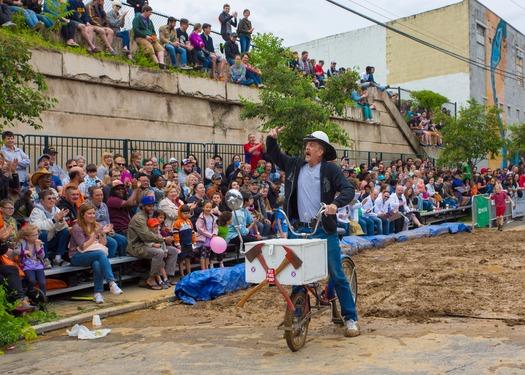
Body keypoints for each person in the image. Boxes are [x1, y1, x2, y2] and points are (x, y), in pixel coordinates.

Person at [266, 127, 360, 337]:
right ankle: (298, 314)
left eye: (312, 145)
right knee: (297, 275)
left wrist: (335, 204)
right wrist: (271, 139)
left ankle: (350, 318)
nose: (307, 147)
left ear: (321, 151)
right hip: (298, 229)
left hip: (323, 230)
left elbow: (348, 190)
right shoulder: (294, 165)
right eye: (307, 144)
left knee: (336, 274)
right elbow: (275, 155)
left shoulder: (330, 170)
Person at [69, 204, 123, 303]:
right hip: (77, 255)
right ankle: (111, 282)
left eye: (93, 213)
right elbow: (83, 246)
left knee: (97, 263)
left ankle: (97, 293)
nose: (92, 215)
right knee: (100, 254)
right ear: (82, 215)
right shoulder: (77, 227)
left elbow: (102, 244)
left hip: (92, 253)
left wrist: (103, 233)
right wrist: (94, 235)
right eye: (89, 213)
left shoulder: (96, 225)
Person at [127, 195, 178, 289]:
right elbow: (146, 236)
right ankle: (151, 279)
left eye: (152, 205)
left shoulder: (147, 216)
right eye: (149, 206)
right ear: (143, 206)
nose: (152, 208)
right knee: (159, 252)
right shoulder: (139, 218)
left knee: (173, 250)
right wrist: (163, 239)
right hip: (136, 246)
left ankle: (167, 277)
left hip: (148, 244)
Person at [29, 189, 70, 269]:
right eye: (49, 198)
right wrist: (54, 220)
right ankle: (45, 259)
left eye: (53, 198)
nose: (52, 200)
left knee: (65, 231)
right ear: (42, 201)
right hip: (39, 242)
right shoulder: (36, 211)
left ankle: (58, 258)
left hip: (52, 239)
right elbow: (36, 226)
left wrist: (60, 220)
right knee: (42, 232)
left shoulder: (57, 210)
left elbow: (62, 228)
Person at [88, 186, 127, 258]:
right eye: (97, 195)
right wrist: (103, 231)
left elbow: (107, 220)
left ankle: (123, 266)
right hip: (95, 233)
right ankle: (106, 264)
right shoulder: (86, 206)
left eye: (101, 195)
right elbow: (88, 224)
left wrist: (111, 230)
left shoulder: (104, 205)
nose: (100, 197)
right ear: (91, 196)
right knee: (113, 243)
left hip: (107, 231)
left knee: (123, 240)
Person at [13, 224, 46, 297]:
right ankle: (30, 293)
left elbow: (42, 256)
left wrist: (38, 248)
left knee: (42, 283)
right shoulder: (21, 242)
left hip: (38, 266)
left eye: (37, 234)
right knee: (32, 280)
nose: (37, 236)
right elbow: (15, 252)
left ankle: (43, 300)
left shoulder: (39, 243)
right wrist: (25, 252)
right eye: (34, 235)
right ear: (27, 237)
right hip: (27, 266)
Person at [173, 204, 195, 278]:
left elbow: (192, 232)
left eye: (188, 213)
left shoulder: (189, 222)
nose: (187, 215)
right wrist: (177, 243)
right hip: (182, 244)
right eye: (185, 213)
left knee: (188, 259)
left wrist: (194, 241)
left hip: (189, 243)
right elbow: (176, 234)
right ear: (180, 213)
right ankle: (182, 274)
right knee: (181, 260)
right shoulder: (177, 223)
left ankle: (189, 273)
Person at [195, 200, 217, 271]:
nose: (208, 209)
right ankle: (203, 269)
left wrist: (214, 233)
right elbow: (200, 229)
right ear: (203, 208)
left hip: (211, 238)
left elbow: (215, 227)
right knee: (203, 255)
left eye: (210, 207)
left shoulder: (213, 217)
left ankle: (207, 268)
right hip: (204, 239)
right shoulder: (201, 218)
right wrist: (210, 235)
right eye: (207, 207)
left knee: (208, 254)